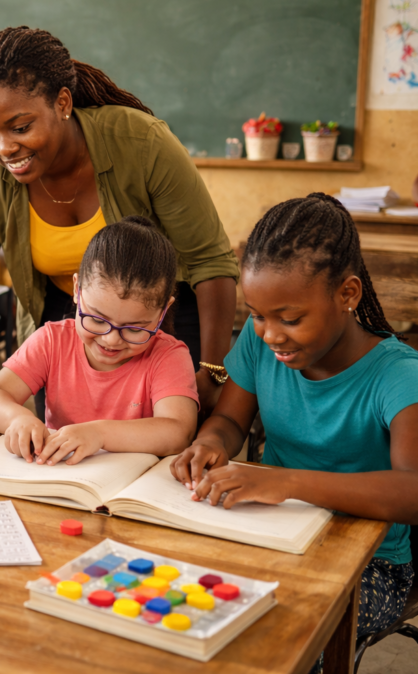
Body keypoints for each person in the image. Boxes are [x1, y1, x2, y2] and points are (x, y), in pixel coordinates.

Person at [0, 27, 239, 418]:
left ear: (62, 103)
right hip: (72, 318)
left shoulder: (141, 142)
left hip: (155, 321)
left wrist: (212, 370)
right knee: (61, 437)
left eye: (21, 127)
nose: (5, 148)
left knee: (160, 439)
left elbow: (210, 262)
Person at [170, 193, 418, 661]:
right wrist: (210, 442)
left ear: (347, 294)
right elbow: (229, 418)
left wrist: (286, 483)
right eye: (257, 316)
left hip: (371, 564)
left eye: (290, 319)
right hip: (271, 532)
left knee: (278, 634)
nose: (270, 334)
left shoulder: (398, 376)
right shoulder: (261, 347)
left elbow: (413, 491)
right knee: (187, 603)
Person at [0, 216, 197, 465]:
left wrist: (99, 434)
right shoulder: (52, 341)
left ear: (163, 311)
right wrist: (17, 418)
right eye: (97, 319)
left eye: (134, 329)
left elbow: (179, 432)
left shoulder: (168, 356)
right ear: (77, 289)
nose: (111, 339)